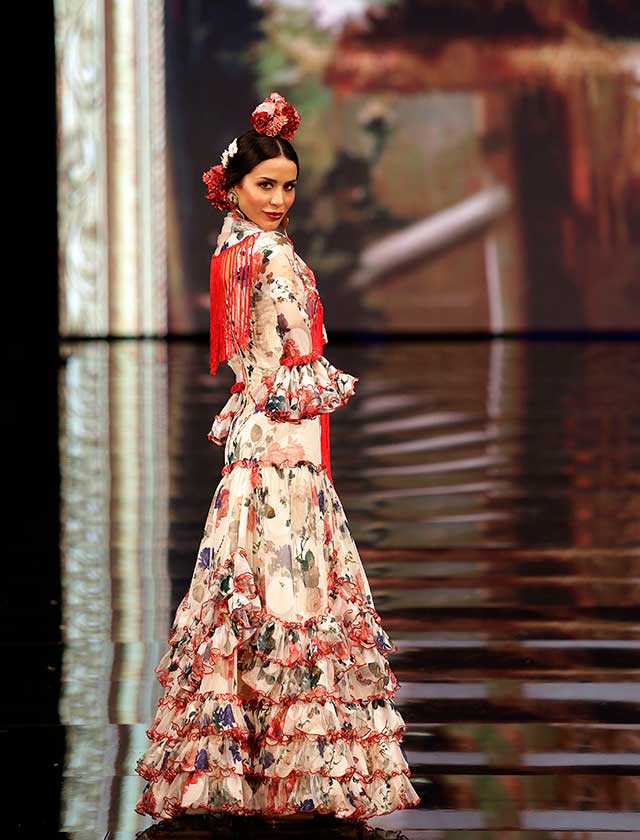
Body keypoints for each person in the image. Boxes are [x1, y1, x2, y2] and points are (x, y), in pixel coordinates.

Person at [134, 92, 421, 826]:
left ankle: (246, 771)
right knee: (293, 596)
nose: (279, 199)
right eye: (265, 185)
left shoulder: (229, 252)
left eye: (288, 186)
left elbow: (243, 360)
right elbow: (299, 352)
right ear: (233, 186)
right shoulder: (271, 256)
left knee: (245, 593)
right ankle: (296, 779)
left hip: (255, 442)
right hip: (284, 446)